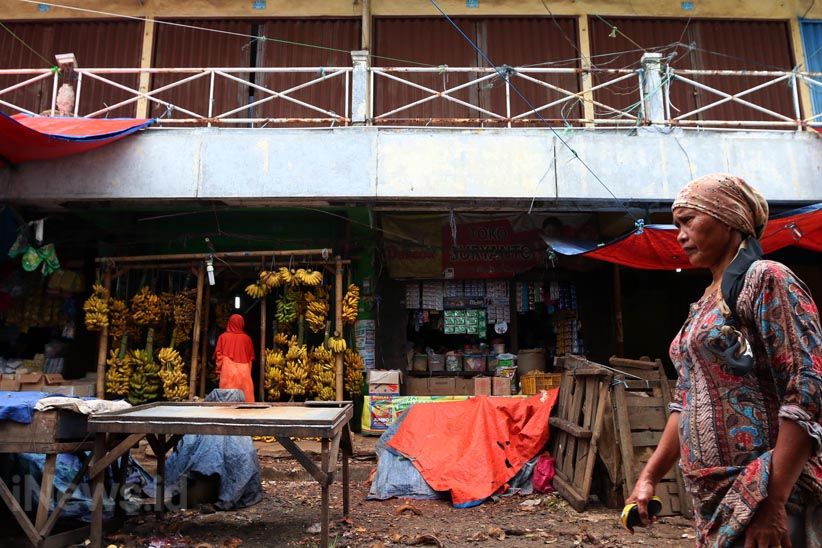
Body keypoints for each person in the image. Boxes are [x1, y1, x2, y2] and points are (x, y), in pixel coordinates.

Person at [626, 173, 822, 547]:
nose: (679, 234)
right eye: (675, 224)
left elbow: (806, 388)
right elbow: (685, 399)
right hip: (712, 494)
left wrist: (773, 500)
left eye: (688, 220)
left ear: (729, 219)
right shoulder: (703, 303)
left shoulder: (767, 279)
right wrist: (649, 476)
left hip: (767, 487)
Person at [214, 313, 256, 402]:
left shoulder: (222, 337)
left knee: (227, 403)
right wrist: (248, 374)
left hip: (227, 372)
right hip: (244, 372)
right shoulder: (247, 339)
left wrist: (218, 372)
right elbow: (250, 360)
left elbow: (219, 357)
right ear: (242, 324)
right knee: (246, 403)